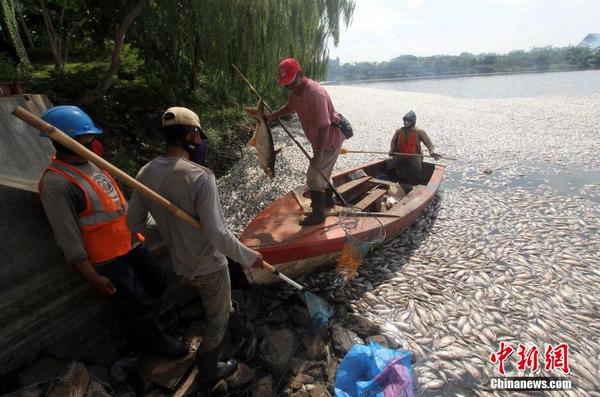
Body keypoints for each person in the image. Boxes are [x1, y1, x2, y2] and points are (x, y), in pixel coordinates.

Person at [125, 107, 264, 385]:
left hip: (181, 266)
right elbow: (218, 234)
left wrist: (171, 234)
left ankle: (238, 329)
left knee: (218, 304)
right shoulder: (200, 176)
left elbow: (134, 224)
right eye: (199, 136)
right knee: (216, 320)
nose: (200, 142)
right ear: (192, 134)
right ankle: (209, 370)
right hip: (209, 265)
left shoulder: (145, 172)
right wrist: (250, 257)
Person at [38, 105, 188, 358]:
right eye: (86, 139)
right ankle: (155, 344)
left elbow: (116, 204)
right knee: (136, 303)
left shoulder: (93, 164)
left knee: (158, 281)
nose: (93, 143)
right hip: (108, 259)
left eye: (92, 138)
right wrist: (91, 276)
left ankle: (156, 325)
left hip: (131, 244)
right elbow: (67, 236)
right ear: (64, 142)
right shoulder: (56, 184)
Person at [266, 57, 345, 226]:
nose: (289, 86)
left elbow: (324, 126)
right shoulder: (294, 92)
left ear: (300, 75)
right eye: (286, 83)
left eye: (291, 82)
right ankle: (328, 202)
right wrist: (272, 116)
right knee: (323, 173)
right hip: (318, 139)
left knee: (314, 176)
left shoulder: (316, 93)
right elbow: (289, 107)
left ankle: (318, 214)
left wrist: (319, 153)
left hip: (330, 140)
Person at [387, 111, 440, 182]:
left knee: (417, 165)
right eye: (405, 120)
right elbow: (393, 141)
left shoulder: (420, 132)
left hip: (414, 155)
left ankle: (414, 181)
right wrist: (392, 149)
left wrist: (432, 152)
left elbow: (428, 143)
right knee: (390, 162)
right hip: (400, 154)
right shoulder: (399, 131)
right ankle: (391, 178)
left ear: (412, 122)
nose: (405, 122)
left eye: (408, 121)